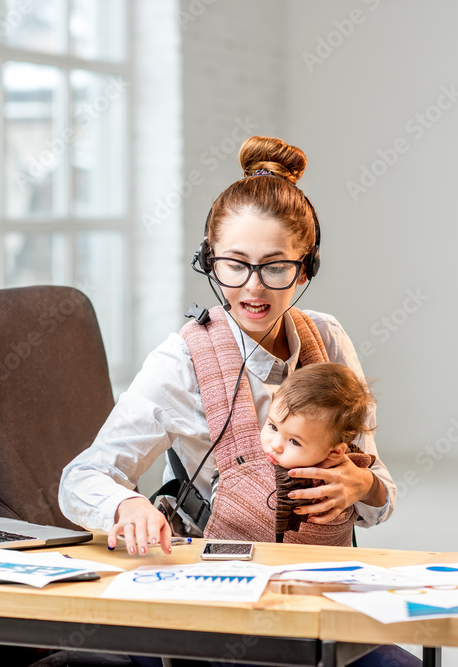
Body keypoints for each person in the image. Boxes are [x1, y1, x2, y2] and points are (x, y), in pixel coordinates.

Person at [58, 135, 396, 557]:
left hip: (320, 571)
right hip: (215, 573)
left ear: (306, 269)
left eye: (275, 267)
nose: (253, 287)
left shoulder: (327, 339)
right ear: (210, 262)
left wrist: (364, 485)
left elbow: (379, 492)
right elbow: (81, 478)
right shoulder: (181, 361)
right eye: (235, 265)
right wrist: (125, 503)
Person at [260, 362, 377, 545]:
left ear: (334, 452)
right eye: (273, 427)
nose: (275, 445)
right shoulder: (248, 459)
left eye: (294, 441)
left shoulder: (339, 481)